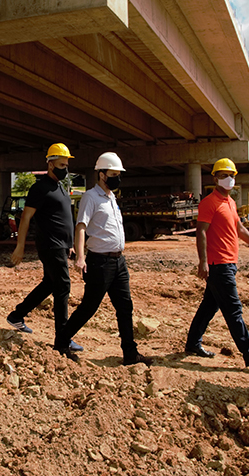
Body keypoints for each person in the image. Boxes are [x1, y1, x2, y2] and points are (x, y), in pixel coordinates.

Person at [54, 152, 151, 365]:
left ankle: (130, 353)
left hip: (119, 262)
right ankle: (61, 343)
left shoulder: (112, 198)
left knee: (125, 307)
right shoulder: (91, 197)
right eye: (113, 174)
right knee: (89, 307)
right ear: (101, 174)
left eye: (118, 174)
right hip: (100, 263)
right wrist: (81, 257)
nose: (117, 178)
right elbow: (81, 227)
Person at [185, 158, 249, 368]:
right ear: (214, 178)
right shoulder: (209, 202)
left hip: (229, 263)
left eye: (231, 175)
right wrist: (203, 262)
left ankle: (192, 344)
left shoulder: (230, 202)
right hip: (219, 264)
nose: (228, 179)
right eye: (223, 175)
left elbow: (240, 229)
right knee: (234, 310)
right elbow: (201, 232)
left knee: (209, 306)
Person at [7, 143, 83, 355]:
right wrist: (20, 246)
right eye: (61, 164)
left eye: (66, 164)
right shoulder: (39, 188)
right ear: (50, 164)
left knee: (50, 283)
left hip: (60, 245)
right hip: (50, 245)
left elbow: (63, 219)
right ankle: (63, 339)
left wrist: (70, 245)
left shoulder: (60, 186)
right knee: (63, 287)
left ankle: (16, 316)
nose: (65, 168)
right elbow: (26, 218)